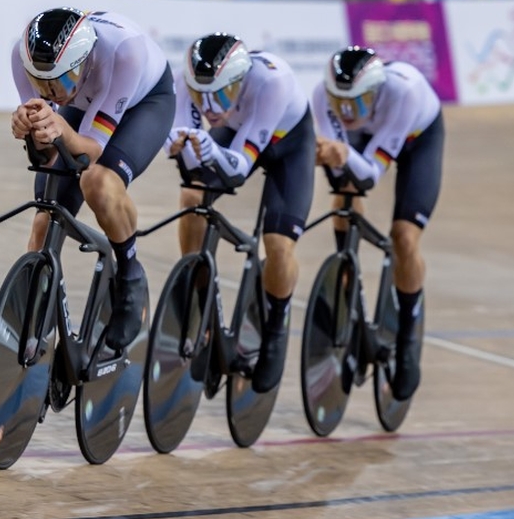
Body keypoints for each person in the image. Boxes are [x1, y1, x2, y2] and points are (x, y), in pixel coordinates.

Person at [10, 7, 175, 352]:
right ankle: (36, 318)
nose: (51, 92)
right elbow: (46, 157)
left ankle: (130, 275)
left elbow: (90, 152)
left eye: (59, 81)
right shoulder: (22, 58)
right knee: (46, 214)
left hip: (144, 104)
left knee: (98, 183)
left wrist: (61, 130)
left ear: (83, 62)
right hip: (89, 101)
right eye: (41, 83)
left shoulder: (124, 51)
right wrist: (31, 132)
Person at [164, 34, 316, 393]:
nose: (209, 106)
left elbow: (237, 168)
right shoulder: (186, 82)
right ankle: (198, 292)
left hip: (287, 146)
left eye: (219, 95)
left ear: (239, 83)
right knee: (192, 196)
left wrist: (204, 148)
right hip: (236, 134)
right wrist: (179, 146)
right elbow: (184, 155)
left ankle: (276, 325)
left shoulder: (271, 82)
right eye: (200, 97)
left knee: (278, 244)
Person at [312, 46, 443, 401]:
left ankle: (408, 334)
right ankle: (346, 276)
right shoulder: (321, 96)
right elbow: (342, 168)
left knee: (403, 236)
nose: (347, 111)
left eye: (356, 101)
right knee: (343, 197)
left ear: (374, 92)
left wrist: (343, 154)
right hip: (366, 139)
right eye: (339, 102)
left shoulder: (402, 92)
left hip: (417, 137)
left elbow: (371, 173)